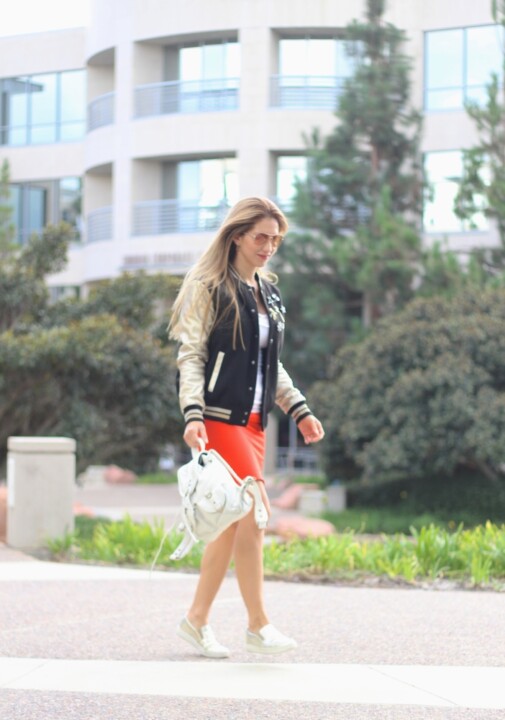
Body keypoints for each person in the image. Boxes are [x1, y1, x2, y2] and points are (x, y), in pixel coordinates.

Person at [169, 196, 325, 658]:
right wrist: (192, 412)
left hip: (254, 425)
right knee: (255, 514)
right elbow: (191, 356)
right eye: (261, 237)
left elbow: (270, 364)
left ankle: (196, 619)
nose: (269, 247)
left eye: (275, 239)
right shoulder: (210, 287)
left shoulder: (269, 293)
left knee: (229, 525)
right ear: (237, 235)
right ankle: (258, 624)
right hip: (219, 420)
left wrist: (298, 409)